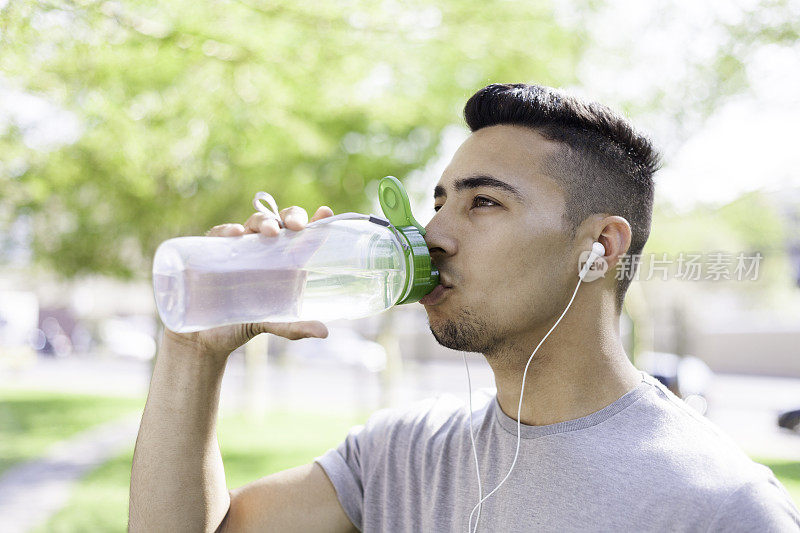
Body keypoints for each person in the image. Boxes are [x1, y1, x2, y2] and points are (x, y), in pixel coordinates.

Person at [129, 84, 800, 532]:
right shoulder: (399, 455)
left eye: (483, 202)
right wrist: (193, 353)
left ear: (599, 246)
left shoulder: (720, 506)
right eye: (439, 200)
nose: (434, 234)